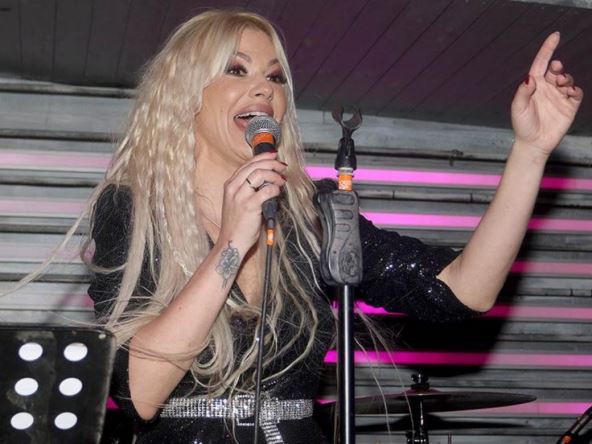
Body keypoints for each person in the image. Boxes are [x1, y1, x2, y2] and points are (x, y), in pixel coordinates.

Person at [84, 9, 583, 444]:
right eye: (236, 69)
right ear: (185, 94)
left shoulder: (312, 215)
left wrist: (530, 152)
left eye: (275, 77)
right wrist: (233, 241)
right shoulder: (132, 210)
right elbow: (140, 394)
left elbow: (463, 290)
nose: (264, 88)